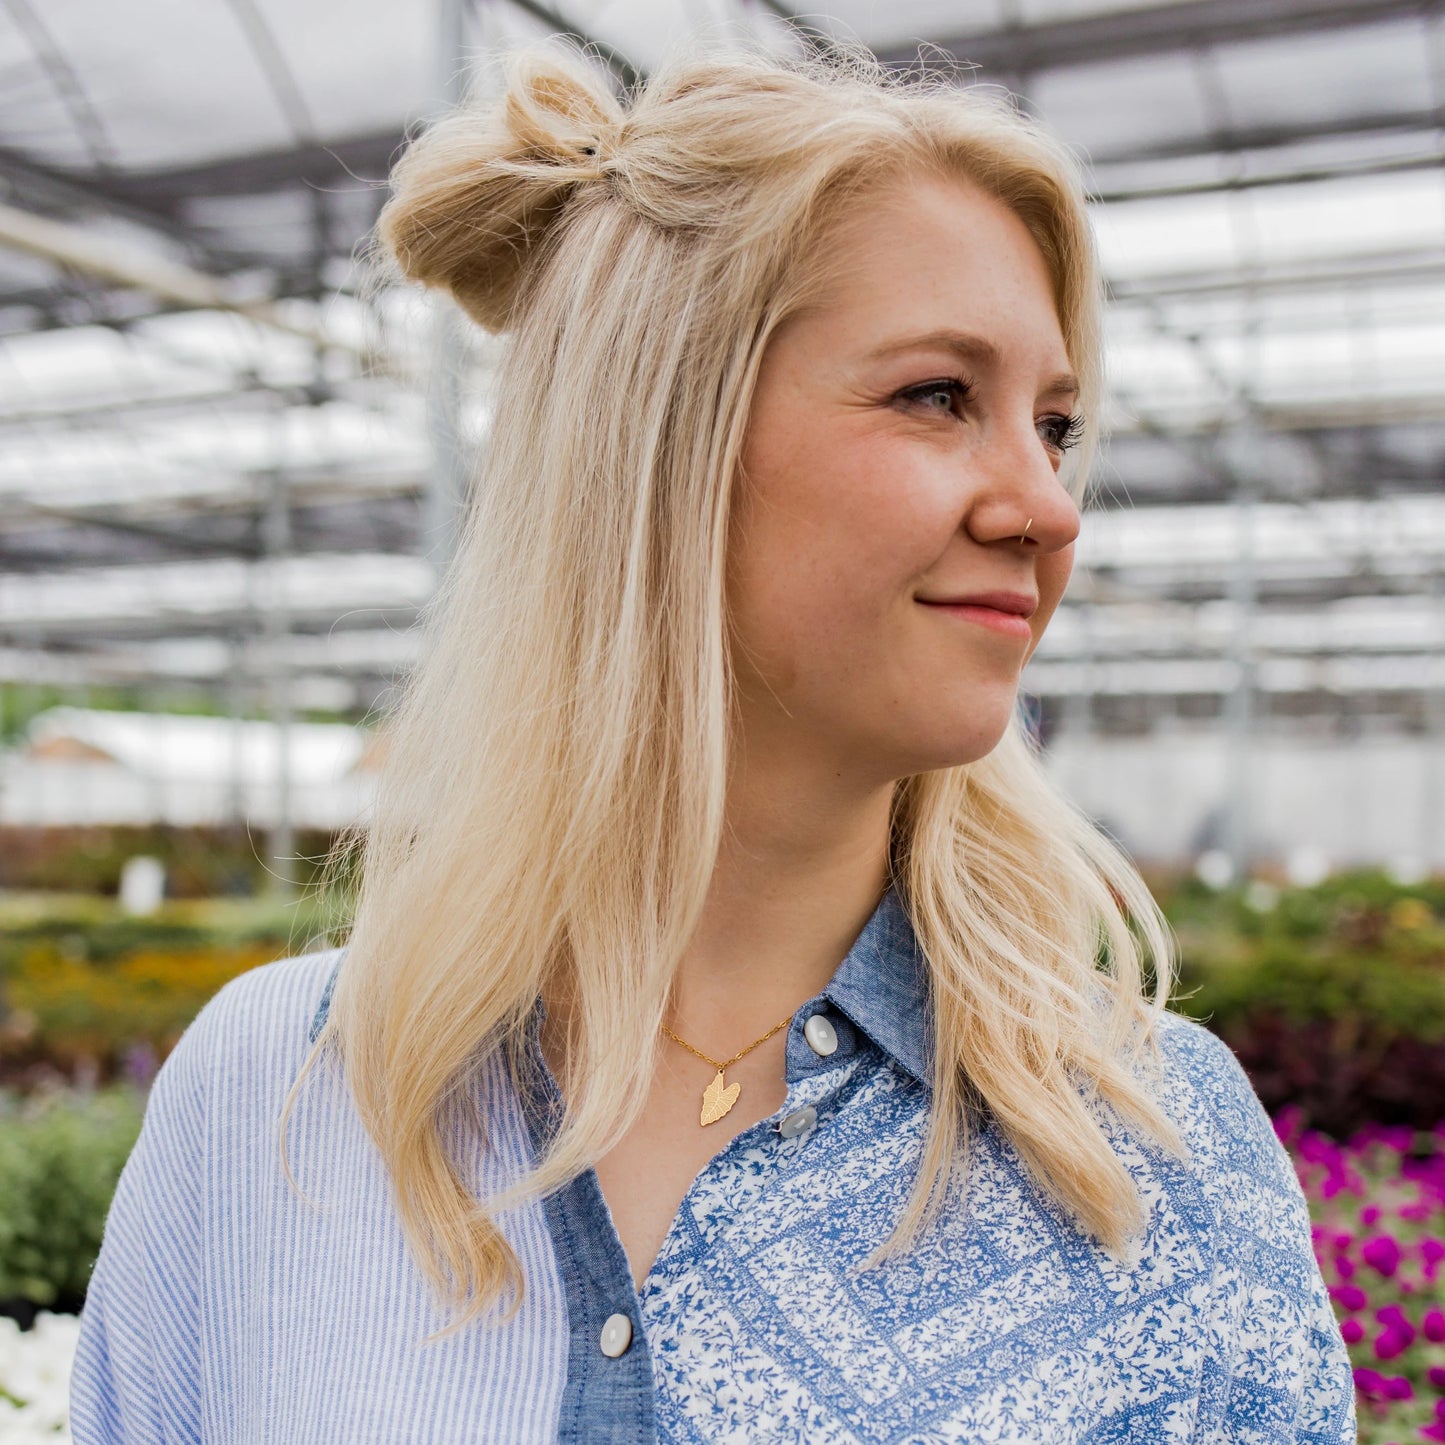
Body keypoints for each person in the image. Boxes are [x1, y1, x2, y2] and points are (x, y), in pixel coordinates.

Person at [69, 36, 1356, 1444]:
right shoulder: (277, 1100)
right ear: (660, 440)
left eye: (1053, 426)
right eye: (939, 396)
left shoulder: (1150, 1150)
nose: (1046, 505)